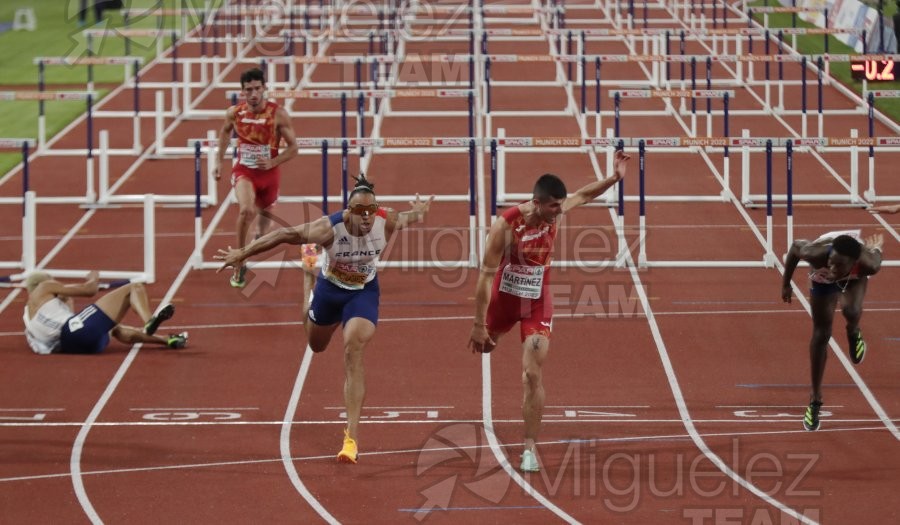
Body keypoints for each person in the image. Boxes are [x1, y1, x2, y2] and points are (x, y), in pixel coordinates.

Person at [215, 174, 434, 464]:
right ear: (348, 211)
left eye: (371, 211)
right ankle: (309, 277)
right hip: (329, 291)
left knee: (353, 347)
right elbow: (282, 235)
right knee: (316, 345)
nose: (367, 218)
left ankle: (351, 440)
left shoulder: (386, 220)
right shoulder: (327, 229)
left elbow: (409, 217)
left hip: (363, 292)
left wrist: (419, 210)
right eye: (360, 212)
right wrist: (243, 253)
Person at [467, 150, 630, 472]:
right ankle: (490, 335)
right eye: (553, 206)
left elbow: (584, 195)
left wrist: (614, 178)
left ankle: (529, 448)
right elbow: (485, 276)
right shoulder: (505, 225)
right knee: (486, 347)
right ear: (536, 202)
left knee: (531, 373)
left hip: (537, 300)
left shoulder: (556, 212)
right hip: (504, 296)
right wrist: (476, 324)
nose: (559, 211)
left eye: (560, 205)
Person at [781, 230, 883, 431]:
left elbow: (876, 256)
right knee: (822, 333)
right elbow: (794, 248)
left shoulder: (868, 265)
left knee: (851, 310)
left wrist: (876, 248)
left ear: (854, 262)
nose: (832, 267)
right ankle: (815, 400)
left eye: (838, 265)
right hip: (823, 279)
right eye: (832, 261)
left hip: (854, 276)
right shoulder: (817, 255)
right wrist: (786, 284)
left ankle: (853, 332)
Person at [214, 67, 299, 289]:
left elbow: (293, 148)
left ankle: (251, 246)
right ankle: (239, 260)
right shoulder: (235, 113)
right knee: (246, 210)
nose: (253, 94)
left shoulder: (278, 114)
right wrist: (218, 161)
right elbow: (224, 133)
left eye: (257, 89)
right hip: (245, 171)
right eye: (248, 90)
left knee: (262, 231)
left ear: (264, 89)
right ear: (242, 92)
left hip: (269, 175)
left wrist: (272, 162)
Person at [23, 271, 187, 355]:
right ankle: (149, 321)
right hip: (76, 333)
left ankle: (166, 340)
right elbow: (89, 291)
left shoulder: (28, 316)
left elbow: (60, 329)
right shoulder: (44, 287)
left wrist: (66, 301)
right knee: (134, 288)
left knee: (113, 327)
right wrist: (94, 277)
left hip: (77, 346)